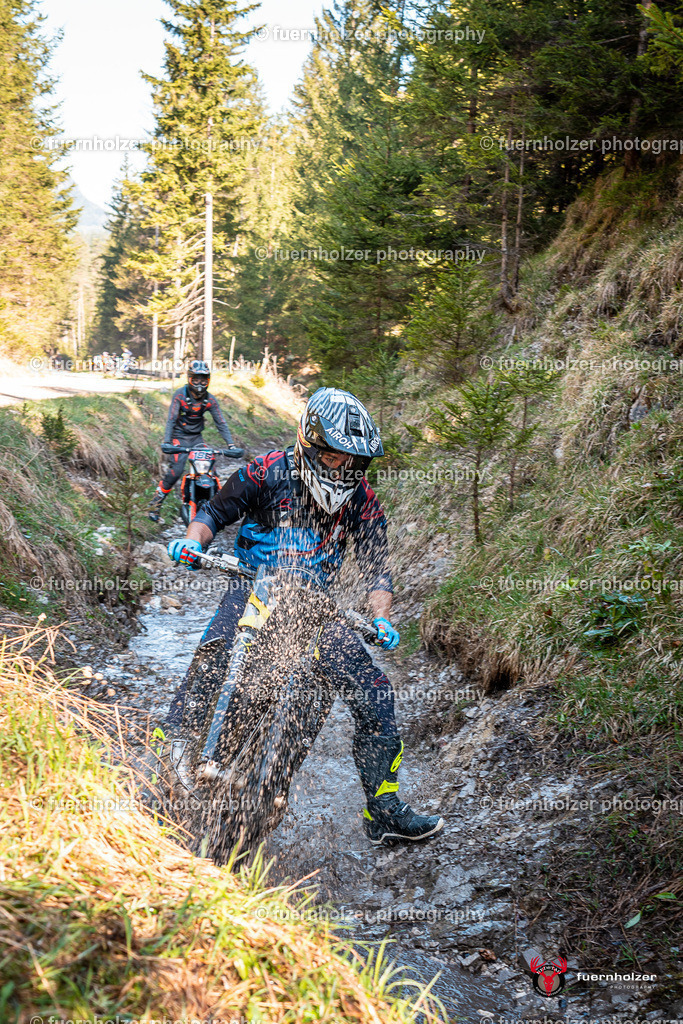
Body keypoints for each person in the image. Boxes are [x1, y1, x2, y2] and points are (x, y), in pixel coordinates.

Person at [166, 386, 444, 846]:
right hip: (254, 585)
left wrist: (382, 618)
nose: (342, 467)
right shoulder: (266, 471)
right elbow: (213, 512)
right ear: (310, 445)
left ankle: (383, 810)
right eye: (333, 456)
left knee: (374, 692)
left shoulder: (362, 500)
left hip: (315, 605)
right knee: (217, 648)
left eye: (352, 460)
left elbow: (377, 568)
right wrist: (193, 543)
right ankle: (175, 746)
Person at [147, 360, 237, 522]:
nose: (199, 384)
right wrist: (167, 442)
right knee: (176, 471)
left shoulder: (210, 399)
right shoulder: (180, 395)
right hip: (178, 438)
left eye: (203, 380)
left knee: (211, 470)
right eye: (195, 379)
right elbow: (171, 419)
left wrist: (231, 445)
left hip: (196, 438)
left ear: (208, 380)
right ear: (189, 379)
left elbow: (221, 422)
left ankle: (218, 508)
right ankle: (155, 505)